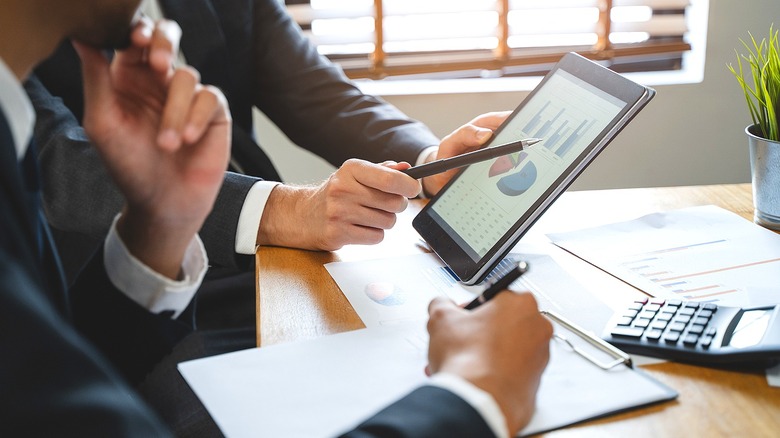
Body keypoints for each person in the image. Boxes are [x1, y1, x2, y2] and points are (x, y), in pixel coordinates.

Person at [1, 1, 553, 436]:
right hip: (184, 315)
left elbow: (320, 91)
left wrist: (429, 166)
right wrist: (473, 397)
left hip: (177, 287)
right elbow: (61, 169)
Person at [28, 0, 510, 288]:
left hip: (281, 265)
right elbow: (52, 164)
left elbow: (316, 91)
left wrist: (429, 163)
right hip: (111, 294)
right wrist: (285, 211)